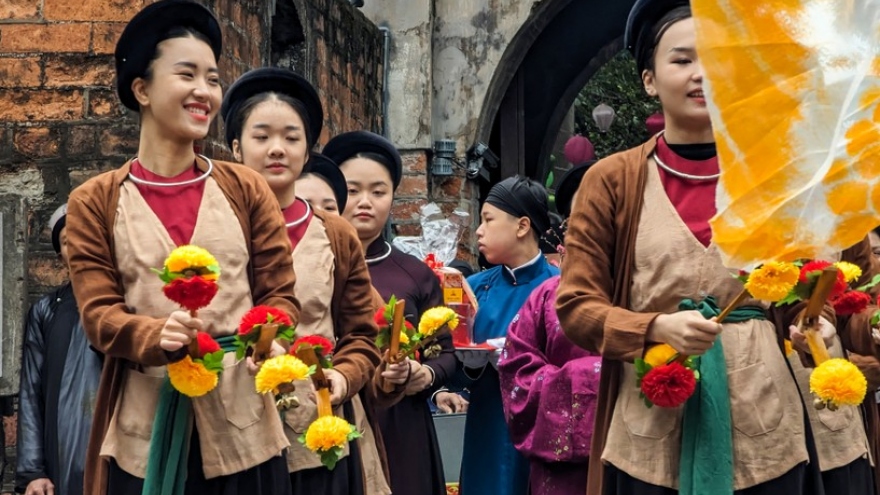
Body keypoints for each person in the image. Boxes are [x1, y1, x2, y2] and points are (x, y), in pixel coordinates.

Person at [556, 1, 839, 494]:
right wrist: (654, 326)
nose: (701, 74)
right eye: (683, 60)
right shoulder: (611, 181)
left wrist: (817, 326)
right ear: (648, 79)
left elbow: (809, 291)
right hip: (652, 420)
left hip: (765, 418)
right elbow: (577, 307)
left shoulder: (774, 178)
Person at [65, 2, 299, 494]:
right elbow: (98, 314)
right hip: (145, 429)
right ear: (142, 89)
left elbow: (279, 294)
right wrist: (155, 333)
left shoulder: (245, 188)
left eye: (213, 79)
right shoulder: (96, 201)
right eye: (187, 74)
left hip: (244, 431)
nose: (204, 92)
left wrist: (266, 336)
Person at [220, 67, 391, 495]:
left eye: (292, 138)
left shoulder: (335, 233)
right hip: (228, 426)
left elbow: (360, 333)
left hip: (316, 422)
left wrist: (345, 376)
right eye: (262, 137)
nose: (277, 149)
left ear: (307, 150)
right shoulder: (213, 227)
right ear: (237, 147)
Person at [324, 130, 457, 495]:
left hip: (399, 423)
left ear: (393, 198)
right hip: (328, 413)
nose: (365, 202)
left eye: (378, 192)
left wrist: (424, 373)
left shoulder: (414, 274)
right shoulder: (313, 263)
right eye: (352, 191)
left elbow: (447, 354)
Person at [497, 163, 601, 495]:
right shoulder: (544, 297)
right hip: (560, 476)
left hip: (640, 459)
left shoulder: (654, 290)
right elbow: (516, 376)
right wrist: (595, 378)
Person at [457, 176, 559, 495]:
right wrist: (471, 363)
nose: (479, 230)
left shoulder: (561, 287)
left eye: (488, 219)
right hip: (486, 419)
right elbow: (456, 370)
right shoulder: (473, 288)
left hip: (541, 424)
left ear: (522, 226)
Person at [16, 204, 103, 495]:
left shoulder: (126, 306)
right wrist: (32, 471)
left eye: (85, 237)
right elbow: (31, 392)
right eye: (67, 241)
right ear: (60, 256)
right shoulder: (45, 312)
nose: (77, 247)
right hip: (62, 454)